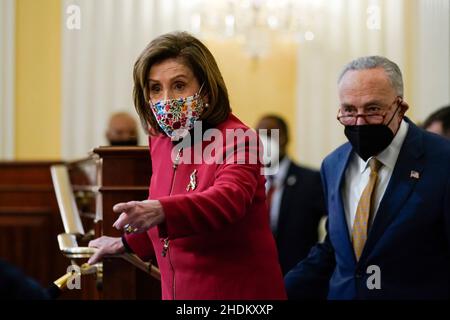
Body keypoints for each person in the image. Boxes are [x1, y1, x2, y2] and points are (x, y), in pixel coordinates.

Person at [88, 32, 286, 300]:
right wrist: (124, 243)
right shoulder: (160, 141)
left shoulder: (239, 139)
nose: (166, 99)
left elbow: (228, 200)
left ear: (206, 90)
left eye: (179, 85)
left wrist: (161, 210)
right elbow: (160, 216)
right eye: (155, 88)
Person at [284, 56, 450, 299]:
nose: (359, 122)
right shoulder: (333, 164)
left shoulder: (442, 161)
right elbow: (336, 247)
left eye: (373, 109)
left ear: (400, 107)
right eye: (349, 110)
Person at [255, 115, 326, 275]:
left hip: (299, 276)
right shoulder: (249, 182)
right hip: (257, 276)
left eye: (270, 134)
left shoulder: (311, 180)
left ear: (285, 138)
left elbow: (336, 225)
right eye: (259, 135)